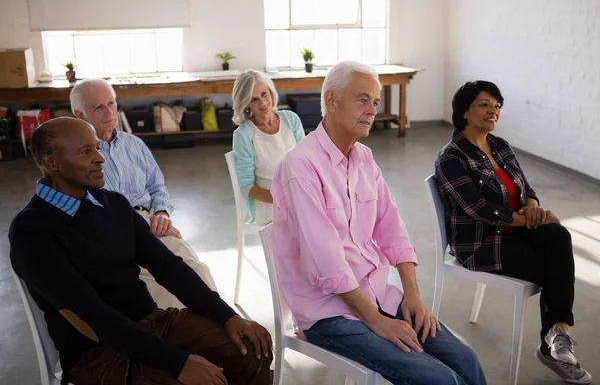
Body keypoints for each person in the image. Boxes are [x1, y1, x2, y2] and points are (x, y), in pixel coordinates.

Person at [10, 117, 273, 385]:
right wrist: (177, 363)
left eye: (97, 148)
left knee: (252, 348)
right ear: (51, 163)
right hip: (96, 352)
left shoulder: (114, 204)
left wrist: (227, 315)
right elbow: (93, 315)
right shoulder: (31, 231)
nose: (100, 158)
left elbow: (169, 267)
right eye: (86, 151)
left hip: (155, 324)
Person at [270, 61, 486, 385]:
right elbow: (326, 264)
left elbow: (392, 229)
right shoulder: (300, 167)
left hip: (378, 295)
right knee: (441, 379)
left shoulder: (364, 158)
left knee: (467, 361)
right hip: (328, 314)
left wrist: (411, 296)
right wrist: (376, 321)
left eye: (375, 101)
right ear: (331, 100)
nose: (372, 109)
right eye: (362, 99)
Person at [435, 81, 592, 384]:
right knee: (554, 267)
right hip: (481, 244)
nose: (493, 111)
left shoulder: (500, 146)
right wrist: (530, 219)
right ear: (465, 111)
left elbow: (526, 189)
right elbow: (478, 208)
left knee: (559, 237)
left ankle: (558, 336)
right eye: (484, 104)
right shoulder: (451, 158)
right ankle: (553, 346)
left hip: (513, 230)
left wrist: (534, 206)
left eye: (497, 105)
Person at [70, 79, 218, 308]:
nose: (109, 111)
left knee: (197, 271)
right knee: (164, 291)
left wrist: (162, 214)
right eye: (99, 107)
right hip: (115, 238)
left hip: (154, 225)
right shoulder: (76, 160)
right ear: (79, 115)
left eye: (111, 103)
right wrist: (141, 224)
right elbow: (90, 213)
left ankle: (222, 332)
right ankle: (191, 339)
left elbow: (157, 187)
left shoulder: (135, 145)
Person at [232, 69, 305, 226]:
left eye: (264, 94)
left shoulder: (291, 120)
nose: (262, 103)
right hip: (269, 206)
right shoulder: (243, 135)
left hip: (300, 196)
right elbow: (247, 188)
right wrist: (284, 199)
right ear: (245, 104)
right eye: (254, 99)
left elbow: (306, 162)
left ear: (271, 92)